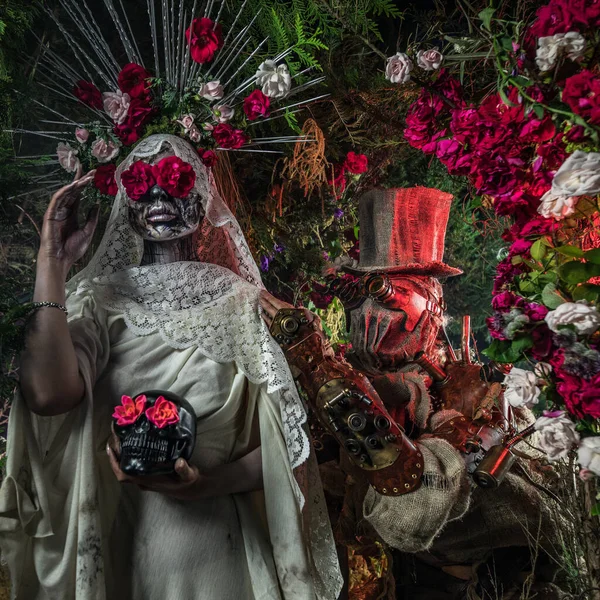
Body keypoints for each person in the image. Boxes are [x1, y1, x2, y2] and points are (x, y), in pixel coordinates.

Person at [0, 134, 342, 600]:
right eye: (142, 184)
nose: (159, 198)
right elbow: (47, 395)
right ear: (125, 201)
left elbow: (285, 449)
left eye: (174, 181)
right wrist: (52, 262)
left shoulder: (244, 306)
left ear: (203, 199)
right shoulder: (99, 303)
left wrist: (202, 485)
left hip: (214, 552)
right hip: (119, 541)